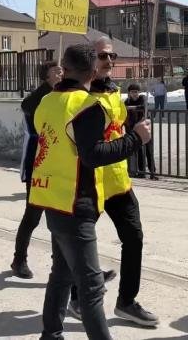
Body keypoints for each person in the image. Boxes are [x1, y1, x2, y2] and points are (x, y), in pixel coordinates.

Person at [30, 44, 150, 340]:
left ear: (65, 68)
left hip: (52, 197)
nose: (108, 62)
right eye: (102, 58)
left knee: (61, 274)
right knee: (91, 286)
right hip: (76, 199)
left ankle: (51, 334)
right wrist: (136, 139)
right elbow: (93, 154)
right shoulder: (87, 106)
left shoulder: (47, 101)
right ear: (93, 69)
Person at [88, 40, 160, 328]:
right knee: (76, 245)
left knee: (134, 238)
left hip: (118, 180)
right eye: (102, 55)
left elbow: (115, 132)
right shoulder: (76, 94)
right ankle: (76, 295)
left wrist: (135, 131)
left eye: (111, 56)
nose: (108, 60)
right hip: (88, 182)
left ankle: (126, 301)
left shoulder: (114, 92)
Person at [11, 60, 62, 279]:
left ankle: (60, 266)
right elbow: (27, 105)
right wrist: (49, 89)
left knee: (59, 219)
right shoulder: (37, 98)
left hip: (59, 165)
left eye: (62, 69)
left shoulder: (65, 94)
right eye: (56, 70)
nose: (61, 72)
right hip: (38, 163)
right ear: (46, 76)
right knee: (32, 216)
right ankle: (19, 259)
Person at [125, 83, 156, 181]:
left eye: (136, 92)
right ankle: (142, 172)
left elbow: (143, 107)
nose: (135, 94)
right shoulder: (127, 101)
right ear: (129, 93)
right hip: (134, 130)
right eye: (132, 92)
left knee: (149, 150)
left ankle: (152, 172)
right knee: (139, 151)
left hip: (145, 128)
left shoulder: (143, 98)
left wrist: (130, 108)